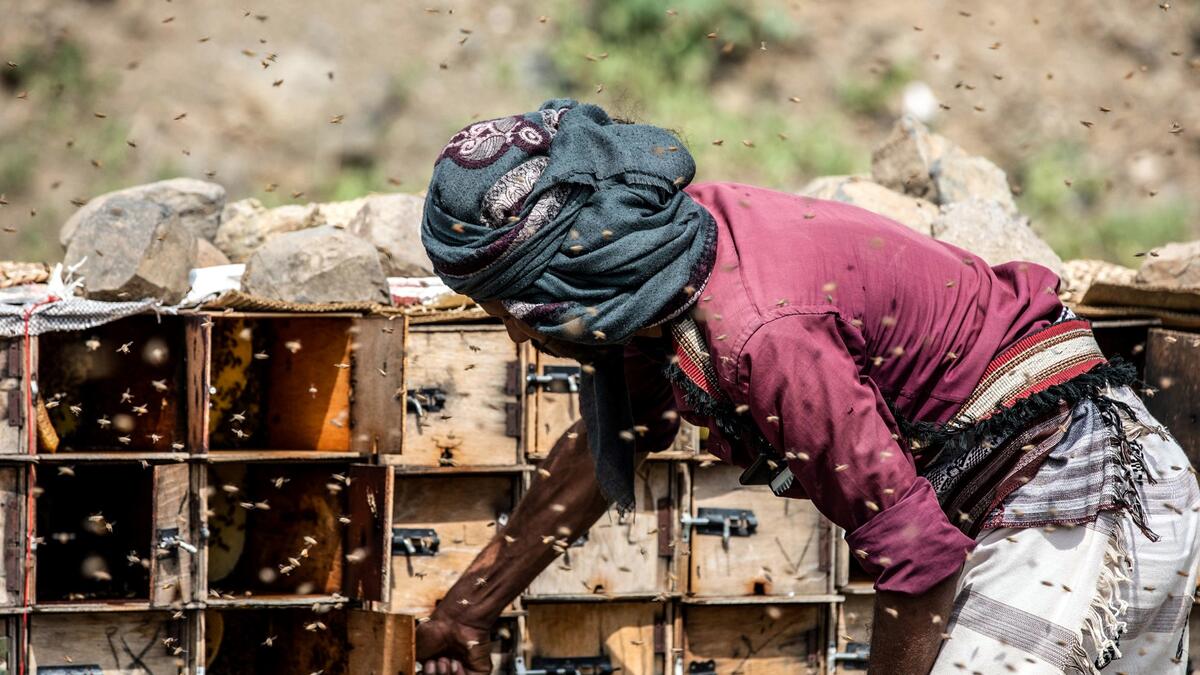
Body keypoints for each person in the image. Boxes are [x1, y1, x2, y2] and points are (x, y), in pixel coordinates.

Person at [414, 98, 1200, 674]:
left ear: (576, 269)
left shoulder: (758, 334)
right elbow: (609, 445)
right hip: (1022, 504)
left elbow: (918, 559)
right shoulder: (664, 261)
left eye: (516, 309)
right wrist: (467, 610)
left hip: (1081, 503)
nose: (517, 333)